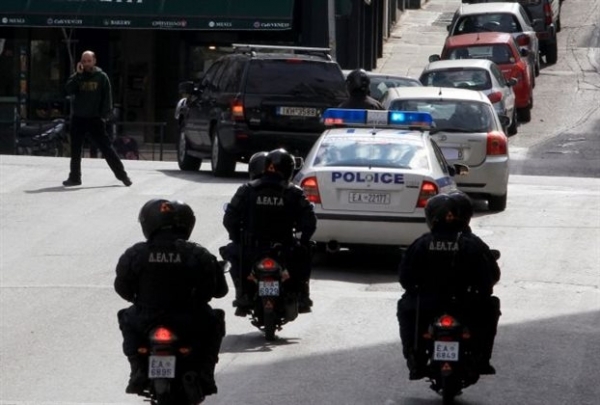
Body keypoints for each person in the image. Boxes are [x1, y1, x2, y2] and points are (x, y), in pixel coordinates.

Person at [115, 199, 228, 397]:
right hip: (189, 319)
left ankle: (137, 369)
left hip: (145, 318)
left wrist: (141, 301)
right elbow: (219, 291)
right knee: (215, 321)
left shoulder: (135, 254)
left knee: (126, 317)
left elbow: (122, 288)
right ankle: (206, 373)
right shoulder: (197, 254)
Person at [396, 193, 500, 380]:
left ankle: (414, 358)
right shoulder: (474, 244)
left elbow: (405, 278)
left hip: (427, 303)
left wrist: (417, 289)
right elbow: (491, 277)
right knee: (491, 306)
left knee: (405, 307)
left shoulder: (422, 243)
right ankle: (482, 358)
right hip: (467, 304)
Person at [223, 148, 317, 315]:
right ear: (288, 170)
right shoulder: (294, 192)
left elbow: (230, 219)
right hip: (285, 250)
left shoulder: (247, 190)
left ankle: (242, 294)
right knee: (306, 251)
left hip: (251, 250)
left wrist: (238, 239)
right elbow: (310, 222)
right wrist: (303, 241)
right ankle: (303, 295)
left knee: (231, 252)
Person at [64, 50, 131, 187]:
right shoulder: (77, 77)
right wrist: (78, 75)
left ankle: (122, 176)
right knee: (75, 150)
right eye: (84, 61)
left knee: (107, 148)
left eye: (89, 61)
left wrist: (105, 115)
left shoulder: (101, 77)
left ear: (94, 61)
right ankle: (75, 177)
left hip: (95, 118)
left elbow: (107, 97)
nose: (86, 64)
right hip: (78, 118)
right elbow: (68, 89)